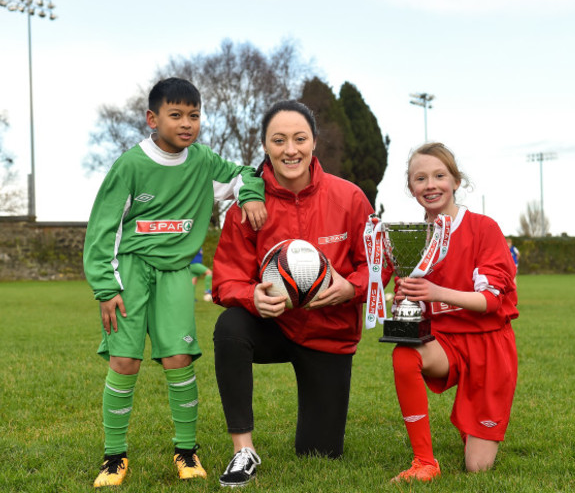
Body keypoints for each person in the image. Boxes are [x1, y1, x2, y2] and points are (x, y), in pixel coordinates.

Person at [83, 77, 267, 488]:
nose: (187, 123)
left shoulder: (202, 161)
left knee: (178, 360)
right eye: (177, 115)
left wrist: (251, 194)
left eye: (195, 115)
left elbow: (244, 175)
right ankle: (114, 458)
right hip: (129, 272)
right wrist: (105, 287)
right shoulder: (130, 165)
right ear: (153, 118)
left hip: (174, 275)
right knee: (124, 361)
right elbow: (103, 229)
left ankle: (186, 451)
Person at [211, 100, 390, 488]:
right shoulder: (246, 207)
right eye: (279, 140)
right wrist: (251, 296)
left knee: (319, 453)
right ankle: (243, 449)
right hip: (272, 325)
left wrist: (350, 287)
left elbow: (377, 266)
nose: (290, 149)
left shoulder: (349, 197)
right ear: (265, 146)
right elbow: (225, 280)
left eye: (299, 139)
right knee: (230, 327)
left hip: (329, 333)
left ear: (314, 142)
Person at [389, 142, 518, 483]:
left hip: (488, 345)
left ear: (456, 181)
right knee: (405, 354)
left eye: (439, 176)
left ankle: (473, 427)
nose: (430, 185)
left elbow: (489, 300)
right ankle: (424, 462)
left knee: (477, 467)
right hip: (446, 343)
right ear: (411, 188)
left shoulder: (483, 228)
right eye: (420, 178)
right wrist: (403, 300)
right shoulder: (413, 238)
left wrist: (436, 292)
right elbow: (416, 295)